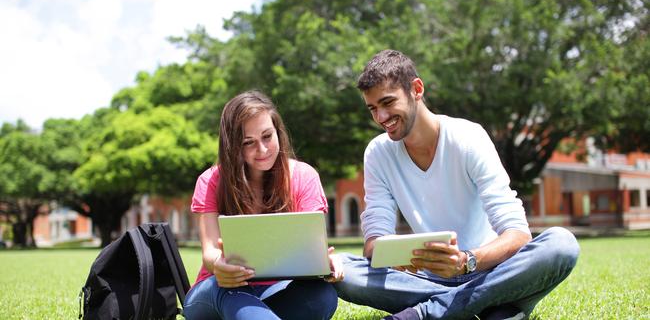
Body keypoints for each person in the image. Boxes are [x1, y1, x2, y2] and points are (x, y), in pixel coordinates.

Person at [333, 50, 580, 320]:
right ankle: (491, 306)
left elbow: (518, 235)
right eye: (372, 108)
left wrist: (465, 262)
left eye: (388, 102)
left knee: (561, 244)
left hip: (488, 269)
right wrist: (392, 253)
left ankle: (427, 313)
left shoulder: (468, 137)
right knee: (341, 269)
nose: (381, 117)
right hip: (425, 281)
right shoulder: (377, 153)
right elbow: (372, 245)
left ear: (416, 89)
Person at [183, 90, 343, 320]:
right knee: (232, 291)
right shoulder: (210, 181)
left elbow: (310, 246)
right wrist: (219, 264)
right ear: (233, 146)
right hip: (217, 290)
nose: (263, 149)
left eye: (267, 136)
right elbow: (209, 251)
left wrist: (322, 261)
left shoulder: (304, 176)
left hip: (275, 291)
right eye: (249, 142)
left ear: (278, 131)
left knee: (322, 296)